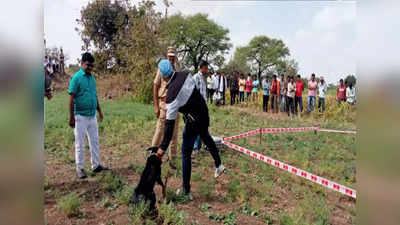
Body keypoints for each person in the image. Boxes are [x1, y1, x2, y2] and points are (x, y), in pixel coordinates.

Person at [156, 59, 225, 200]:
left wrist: (162, 148)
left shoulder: (171, 96)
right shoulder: (186, 74)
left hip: (193, 121)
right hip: (204, 113)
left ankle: (186, 190)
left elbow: (169, 127)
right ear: (172, 68)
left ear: (163, 76)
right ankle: (219, 164)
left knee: (185, 152)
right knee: (206, 136)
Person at [68, 52, 108, 179]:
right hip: (80, 116)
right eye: (87, 65)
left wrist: (100, 111)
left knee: (94, 141)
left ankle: (95, 166)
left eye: (92, 66)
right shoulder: (76, 78)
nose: (90, 68)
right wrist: (71, 117)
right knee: (80, 143)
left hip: (92, 116)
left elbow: (94, 96)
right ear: (82, 63)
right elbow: (71, 98)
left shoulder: (92, 78)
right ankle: (80, 169)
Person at [152, 47, 179, 169]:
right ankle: (153, 154)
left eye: (173, 56)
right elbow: (155, 86)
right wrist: (156, 106)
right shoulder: (161, 68)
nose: (171, 58)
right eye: (169, 56)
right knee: (160, 131)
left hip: (175, 105)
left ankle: (172, 159)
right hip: (163, 105)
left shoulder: (177, 69)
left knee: (174, 134)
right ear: (167, 56)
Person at [192, 60, 209, 155]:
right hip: (197, 106)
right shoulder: (196, 77)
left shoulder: (203, 78)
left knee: (203, 126)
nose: (207, 70)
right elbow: (194, 92)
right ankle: (194, 147)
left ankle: (202, 145)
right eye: (205, 68)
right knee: (196, 127)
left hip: (203, 105)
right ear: (201, 68)